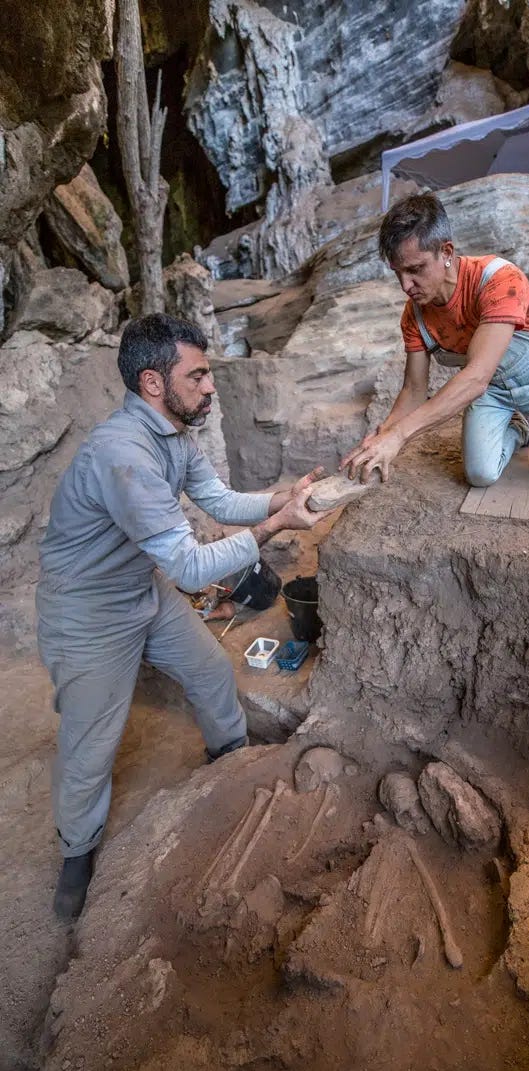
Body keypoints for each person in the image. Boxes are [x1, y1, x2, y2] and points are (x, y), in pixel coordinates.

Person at [37, 313, 333, 920]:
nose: (209, 385)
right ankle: (77, 851)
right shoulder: (122, 454)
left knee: (210, 671)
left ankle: (229, 760)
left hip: (139, 592)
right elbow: (192, 568)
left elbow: (219, 501)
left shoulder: (174, 434)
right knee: (90, 745)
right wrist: (277, 525)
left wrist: (285, 497)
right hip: (86, 611)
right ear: (153, 382)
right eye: (197, 375)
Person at [341, 193, 529, 487]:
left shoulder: (499, 280)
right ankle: (521, 425)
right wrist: (382, 437)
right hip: (493, 391)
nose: (406, 285)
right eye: (398, 273)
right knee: (480, 473)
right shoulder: (415, 315)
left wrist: (400, 436)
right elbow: (414, 389)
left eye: (415, 269)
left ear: (446, 252)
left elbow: (477, 376)